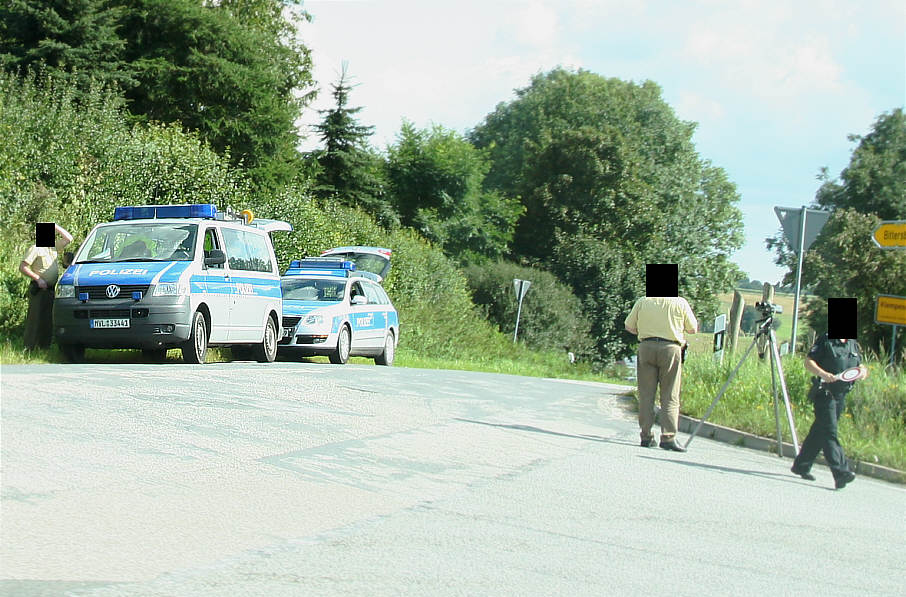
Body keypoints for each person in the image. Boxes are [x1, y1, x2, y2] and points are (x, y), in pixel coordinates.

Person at [791, 303, 868, 489]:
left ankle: (801, 465)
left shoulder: (851, 343)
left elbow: (860, 366)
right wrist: (824, 374)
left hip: (841, 394)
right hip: (825, 392)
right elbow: (808, 362)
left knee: (820, 430)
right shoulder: (826, 340)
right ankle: (841, 472)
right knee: (829, 432)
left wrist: (863, 372)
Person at [624, 264, 698, 452]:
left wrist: (645, 329)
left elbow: (629, 326)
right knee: (670, 395)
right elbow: (692, 328)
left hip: (646, 347)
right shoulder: (680, 303)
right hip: (670, 348)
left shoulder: (643, 301)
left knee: (646, 394)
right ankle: (668, 436)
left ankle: (646, 435)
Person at [20, 223, 73, 350]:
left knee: (48, 320)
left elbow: (69, 239)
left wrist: (55, 226)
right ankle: (29, 348)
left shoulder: (53, 248)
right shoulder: (35, 248)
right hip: (38, 289)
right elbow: (23, 267)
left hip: (50, 290)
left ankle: (44, 347)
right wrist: (38, 279)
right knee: (35, 319)